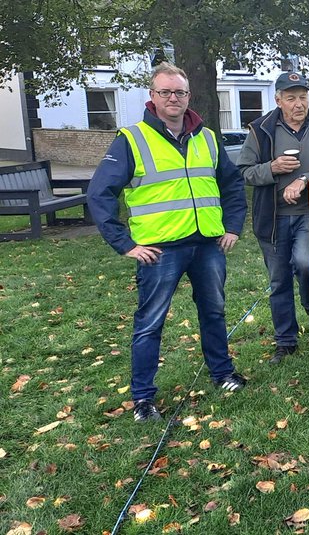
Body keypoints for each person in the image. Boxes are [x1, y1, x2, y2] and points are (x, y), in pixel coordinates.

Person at [87, 63, 248, 422]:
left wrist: (233, 226)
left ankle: (222, 374)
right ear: (153, 96)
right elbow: (99, 194)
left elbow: (233, 184)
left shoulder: (207, 137)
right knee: (150, 323)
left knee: (215, 312)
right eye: (165, 92)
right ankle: (143, 399)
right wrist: (125, 244)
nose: (173, 98)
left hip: (208, 244)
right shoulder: (132, 139)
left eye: (179, 92)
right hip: (159, 251)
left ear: (188, 96)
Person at [238, 72, 309, 363]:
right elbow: (244, 171)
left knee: (305, 263)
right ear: (278, 101)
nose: (299, 104)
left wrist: (305, 180)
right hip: (272, 219)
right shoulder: (261, 129)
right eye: (291, 98)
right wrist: (271, 168)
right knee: (279, 280)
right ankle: (286, 341)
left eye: (303, 97)